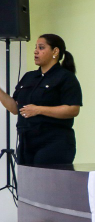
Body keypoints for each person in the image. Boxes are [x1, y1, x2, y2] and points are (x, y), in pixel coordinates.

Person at [0, 34, 82, 165]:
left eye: (41, 47)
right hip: (26, 141)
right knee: (28, 184)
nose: (35, 51)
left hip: (53, 142)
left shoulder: (65, 77)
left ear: (55, 51)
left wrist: (39, 110)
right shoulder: (29, 76)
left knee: (45, 183)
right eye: (35, 47)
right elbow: (15, 109)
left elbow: (73, 109)